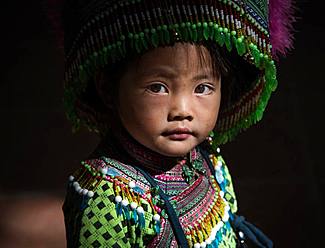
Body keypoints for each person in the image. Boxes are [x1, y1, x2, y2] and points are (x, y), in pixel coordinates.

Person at [50, 0, 295, 247]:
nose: (182, 110)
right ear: (107, 88)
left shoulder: (207, 159)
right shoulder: (106, 199)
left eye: (203, 88)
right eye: (158, 87)